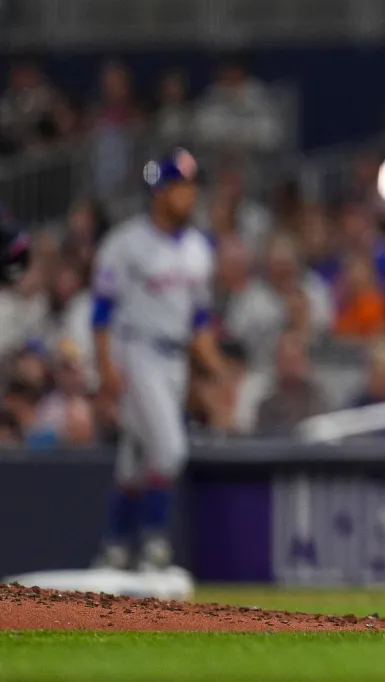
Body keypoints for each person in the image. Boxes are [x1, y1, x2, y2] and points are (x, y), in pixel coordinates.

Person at [90, 149, 223, 571]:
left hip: (177, 360)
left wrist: (211, 366)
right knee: (168, 450)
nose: (190, 194)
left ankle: (114, 547)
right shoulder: (125, 243)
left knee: (134, 459)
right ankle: (153, 542)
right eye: (181, 186)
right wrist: (106, 369)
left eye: (192, 186)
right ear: (160, 191)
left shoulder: (199, 248)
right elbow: (101, 313)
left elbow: (199, 318)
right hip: (137, 351)